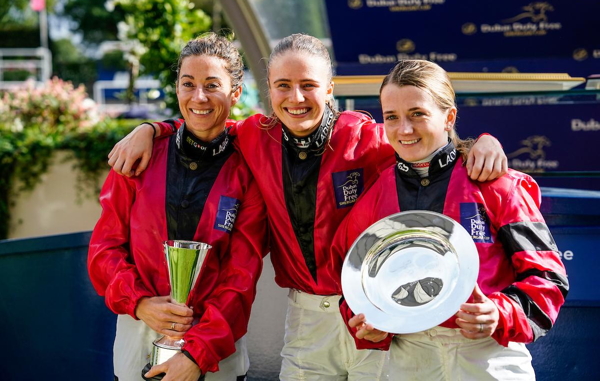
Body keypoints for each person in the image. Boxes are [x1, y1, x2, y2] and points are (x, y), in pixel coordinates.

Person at [106, 34, 507, 380]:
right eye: (283, 85)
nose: (295, 98)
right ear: (268, 90)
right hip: (306, 316)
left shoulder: (368, 138)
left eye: (308, 85)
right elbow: (206, 122)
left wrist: (479, 142)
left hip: (373, 316)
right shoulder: (253, 136)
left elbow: (425, 141)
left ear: (329, 88)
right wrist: (152, 129)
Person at [333, 59, 569, 380]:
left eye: (418, 114)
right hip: (409, 358)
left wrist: (500, 313)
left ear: (449, 117)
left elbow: (549, 277)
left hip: (488, 353)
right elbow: (352, 286)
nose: (404, 129)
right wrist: (367, 323)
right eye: (392, 117)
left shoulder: (498, 185)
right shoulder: (373, 197)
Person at [88, 33, 267, 381]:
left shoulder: (249, 169)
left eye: (212, 85)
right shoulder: (140, 156)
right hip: (138, 336)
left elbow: (240, 278)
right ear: (177, 89)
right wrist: (139, 302)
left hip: (215, 353)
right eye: (188, 84)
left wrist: (197, 354)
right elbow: (104, 249)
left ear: (235, 93)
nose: (198, 97)